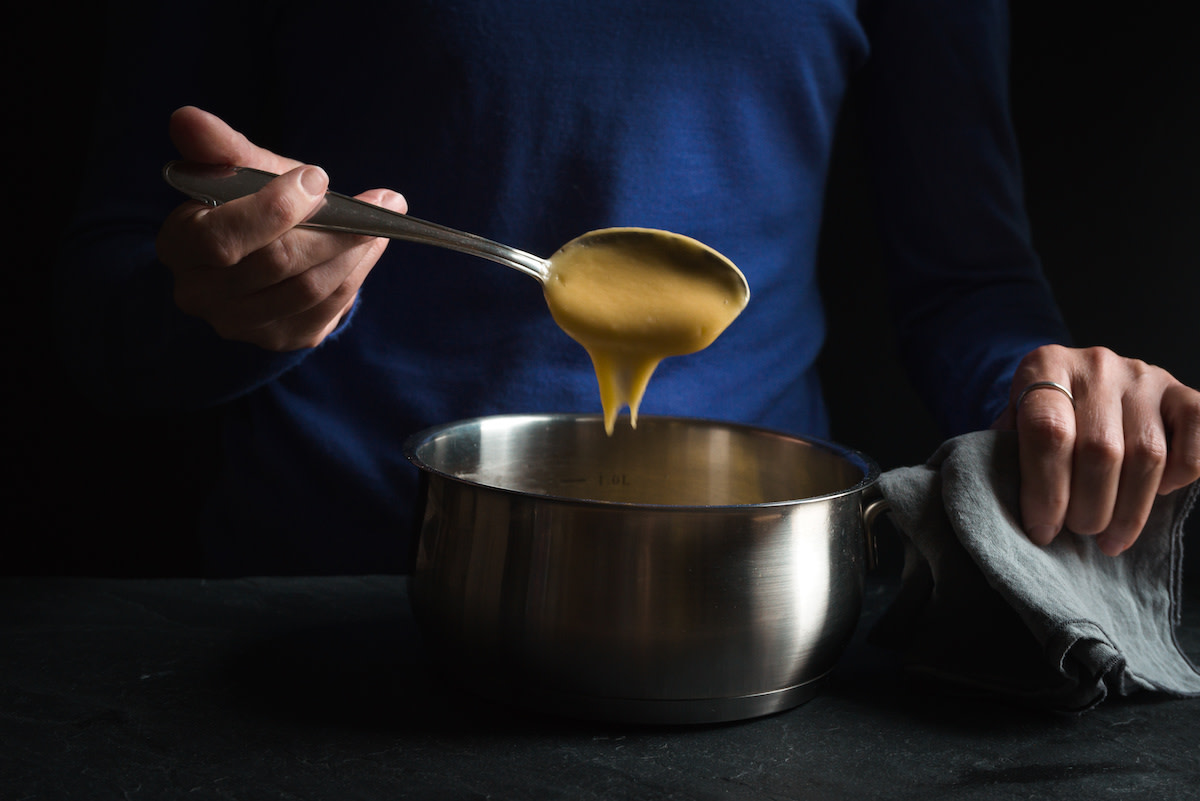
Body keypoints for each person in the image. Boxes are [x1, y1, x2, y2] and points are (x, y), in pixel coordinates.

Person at [56, 1, 1200, 576]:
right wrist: (223, 306)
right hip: (318, 599)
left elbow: (967, 281)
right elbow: (103, 306)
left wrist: (1042, 391)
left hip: (758, 598)